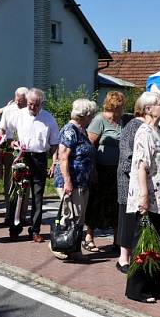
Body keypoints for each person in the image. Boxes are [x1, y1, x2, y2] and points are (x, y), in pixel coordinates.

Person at [125, 92, 160, 303]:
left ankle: (153, 286)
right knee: (144, 243)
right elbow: (141, 165)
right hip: (151, 197)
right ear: (148, 109)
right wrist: (144, 196)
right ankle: (137, 289)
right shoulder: (144, 132)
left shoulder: (158, 131)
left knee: (155, 243)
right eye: (159, 104)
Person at [4, 88, 60, 242]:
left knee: (37, 195)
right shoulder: (19, 115)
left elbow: (55, 143)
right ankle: (14, 228)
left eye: (35, 105)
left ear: (41, 104)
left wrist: (54, 162)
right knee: (18, 193)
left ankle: (35, 230)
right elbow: (7, 132)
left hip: (40, 158)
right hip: (22, 156)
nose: (32, 107)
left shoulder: (49, 119)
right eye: (29, 104)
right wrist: (11, 142)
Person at [53, 98, 98, 259]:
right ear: (83, 115)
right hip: (72, 181)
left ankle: (73, 248)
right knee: (70, 215)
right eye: (91, 116)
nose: (92, 119)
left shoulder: (81, 130)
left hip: (82, 181)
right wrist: (67, 181)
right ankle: (59, 244)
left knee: (78, 217)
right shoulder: (69, 130)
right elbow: (63, 157)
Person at [84, 91, 123, 252]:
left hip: (117, 170)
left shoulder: (122, 121)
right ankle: (89, 237)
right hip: (100, 169)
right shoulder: (99, 120)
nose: (121, 109)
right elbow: (90, 145)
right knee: (95, 203)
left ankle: (117, 240)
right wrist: (92, 169)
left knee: (115, 205)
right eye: (118, 106)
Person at [115, 102, 148, 273]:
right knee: (127, 220)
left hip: (141, 183)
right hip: (129, 183)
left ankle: (135, 255)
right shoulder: (133, 125)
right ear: (146, 108)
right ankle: (123, 259)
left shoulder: (148, 126)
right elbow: (128, 154)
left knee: (136, 222)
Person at [0, 86, 29, 209]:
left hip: (25, 146)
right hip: (10, 145)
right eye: (17, 99)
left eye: (22, 101)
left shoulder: (30, 111)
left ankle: (22, 212)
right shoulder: (9, 110)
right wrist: (2, 145)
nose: (19, 103)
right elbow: (2, 130)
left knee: (24, 180)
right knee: (9, 179)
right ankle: (9, 211)